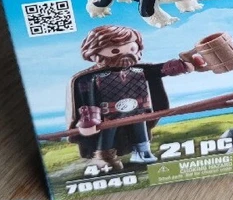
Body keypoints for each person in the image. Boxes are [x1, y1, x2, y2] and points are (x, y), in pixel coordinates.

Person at [67, 24, 204, 170]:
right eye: (115, 51)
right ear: (94, 52)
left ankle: (142, 151)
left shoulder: (139, 70)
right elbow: (87, 99)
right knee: (108, 132)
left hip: (139, 109)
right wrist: (89, 121)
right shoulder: (91, 77)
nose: (125, 54)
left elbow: (161, 69)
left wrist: (183, 66)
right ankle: (104, 156)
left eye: (131, 49)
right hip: (109, 114)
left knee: (140, 128)